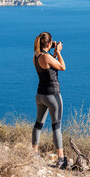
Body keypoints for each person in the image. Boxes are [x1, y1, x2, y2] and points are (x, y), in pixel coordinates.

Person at [32, 31, 69, 169]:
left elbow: (48, 65)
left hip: (40, 95)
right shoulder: (47, 57)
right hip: (53, 96)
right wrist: (58, 52)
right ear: (49, 44)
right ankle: (60, 159)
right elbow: (62, 67)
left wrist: (52, 52)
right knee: (56, 127)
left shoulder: (37, 56)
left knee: (38, 124)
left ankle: (34, 153)